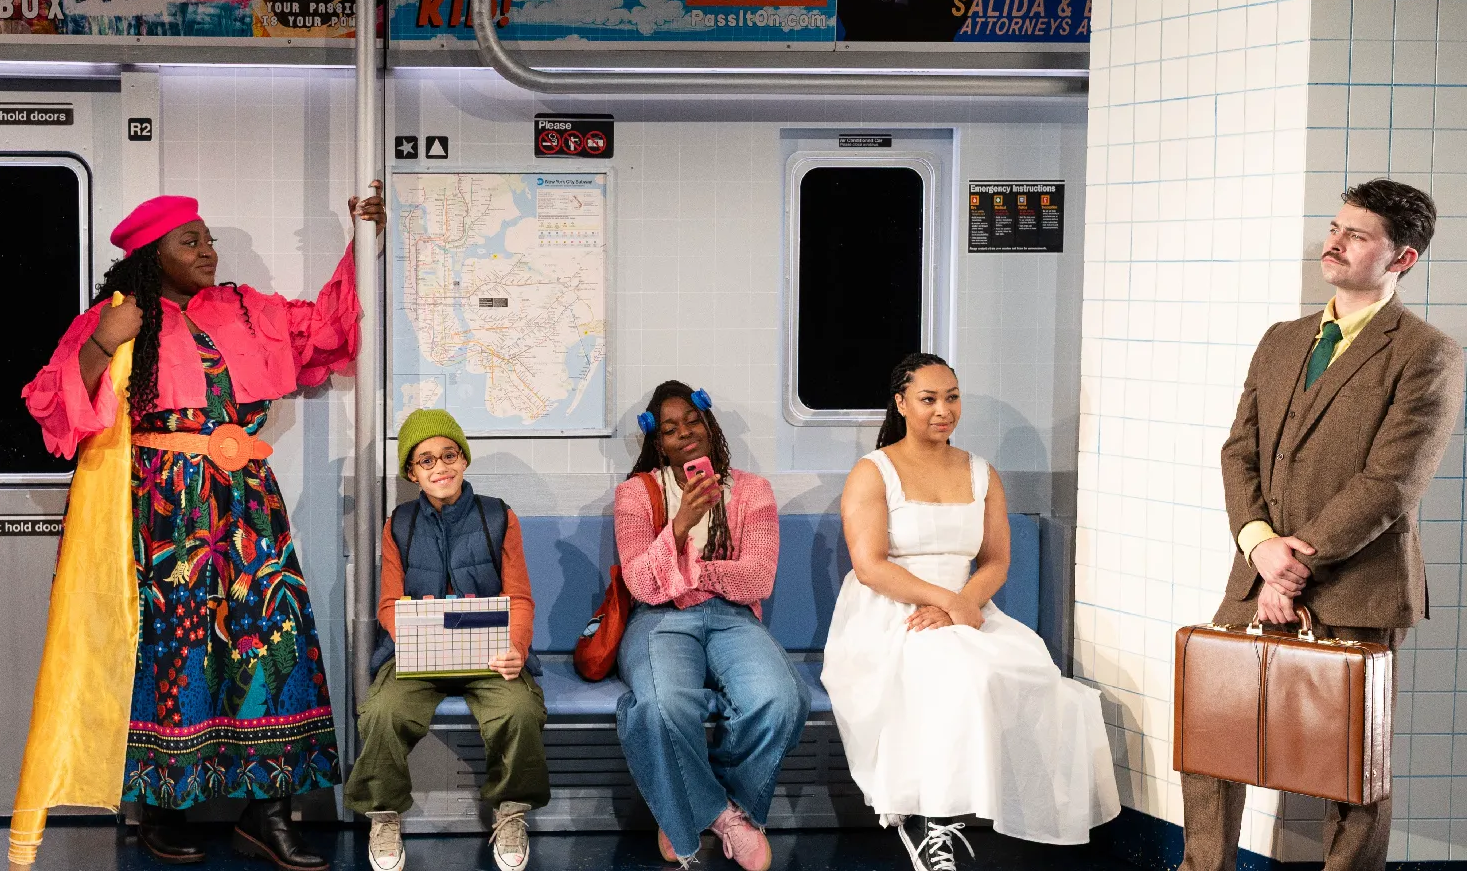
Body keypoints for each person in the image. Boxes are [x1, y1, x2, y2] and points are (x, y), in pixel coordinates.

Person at [10, 186, 384, 870]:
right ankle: (160, 808)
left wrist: (363, 239)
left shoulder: (245, 309)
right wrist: (101, 342)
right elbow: (51, 404)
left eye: (208, 238)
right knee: (170, 650)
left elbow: (329, 327)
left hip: (245, 504)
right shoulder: (117, 317)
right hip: (160, 513)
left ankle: (268, 813)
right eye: (191, 242)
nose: (207, 251)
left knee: (270, 640)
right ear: (154, 256)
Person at [1180, 179, 1464, 871]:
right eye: (1335, 228)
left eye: (1356, 234)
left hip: (1359, 582)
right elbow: (1238, 451)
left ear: (1403, 259)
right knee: (1211, 740)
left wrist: (1295, 564)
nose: (1332, 243)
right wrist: (1260, 549)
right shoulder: (1282, 341)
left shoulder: (1427, 353)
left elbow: (1392, 481)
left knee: (1351, 766)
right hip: (1255, 573)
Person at [822, 353, 1119, 871]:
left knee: (1033, 670)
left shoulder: (982, 473)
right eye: (929, 399)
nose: (944, 410)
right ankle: (930, 823)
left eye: (952, 398)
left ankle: (997, 816)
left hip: (966, 604)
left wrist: (963, 603)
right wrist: (943, 602)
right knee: (960, 673)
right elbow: (869, 566)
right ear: (901, 404)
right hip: (892, 609)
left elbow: (996, 559)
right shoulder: (874, 472)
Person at [612, 380, 806, 871]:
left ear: (709, 423)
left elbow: (758, 578)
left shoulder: (752, 491)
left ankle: (683, 798)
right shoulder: (637, 494)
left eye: (692, 421)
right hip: (660, 619)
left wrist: (691, 572)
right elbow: (640, 584)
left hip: (732, 618)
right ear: (658, 442)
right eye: (671, 429)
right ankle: (722, 816)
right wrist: (679, 525)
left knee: (781, 698)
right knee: (661, 704)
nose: (685, 434)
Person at [346, 408, 547, 871]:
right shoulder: (399, 523)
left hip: (491, 655)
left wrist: (516, 648)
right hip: (420, 657)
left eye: (448, 455)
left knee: (517, 709)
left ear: (464, 458)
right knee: (381, 710)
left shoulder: (499, 516)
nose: (440, 467)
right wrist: (412, 638)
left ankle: (511, 810)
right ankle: (384, 813)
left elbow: (519, 596)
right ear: (412, 473)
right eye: (426, 460)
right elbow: (388, 604)